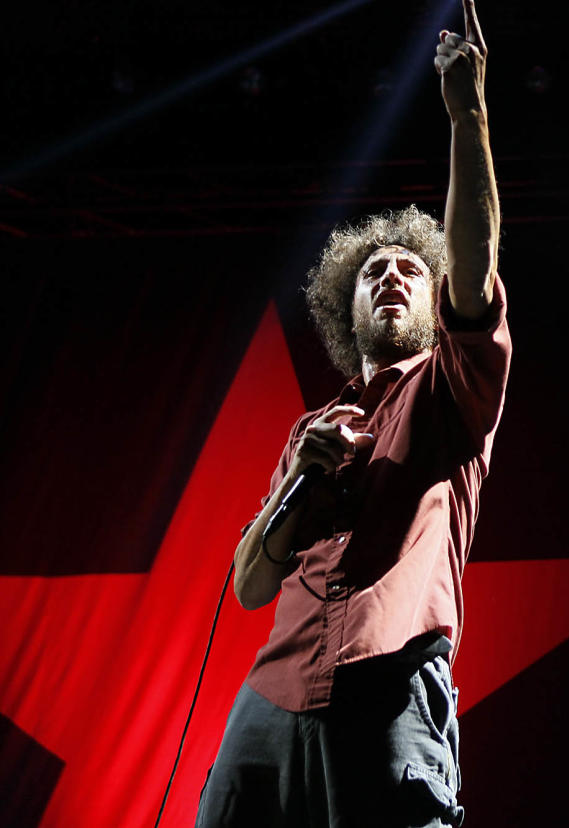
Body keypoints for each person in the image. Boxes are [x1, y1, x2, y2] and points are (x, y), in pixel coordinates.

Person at [197, 3, 505, 826]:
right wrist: (295, 480)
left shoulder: (449, 387)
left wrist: (467, 113)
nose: (393, 277)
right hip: (273, 690)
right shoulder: (312, 426)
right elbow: (251, 586)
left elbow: (473, 269)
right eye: (373, 271)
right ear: (347, 304)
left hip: (390, 677)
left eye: (410, 266)